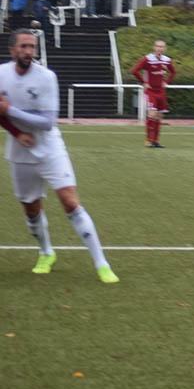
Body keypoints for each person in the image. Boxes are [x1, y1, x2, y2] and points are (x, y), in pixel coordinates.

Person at [0, 29, 119, 284]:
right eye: (24, 46)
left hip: (50, 148)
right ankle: (46, 252)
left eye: (33, 46)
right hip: (20, 151)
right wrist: (15, 132)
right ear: (13, 50)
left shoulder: (46, 77)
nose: (29, 51)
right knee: (31, 209)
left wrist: (12, 111)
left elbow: (47, 122)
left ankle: (102, 263)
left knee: (70, 202)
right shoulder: (1, 75)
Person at [131, 40, 177, 148]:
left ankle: (155, 141)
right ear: (154, 47)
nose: (160, 48)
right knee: (152, 114)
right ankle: (148, 140)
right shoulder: (148, 59)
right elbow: (135, 71)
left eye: (162, 47)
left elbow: (173, 72)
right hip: (151, 91)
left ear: (165, 48)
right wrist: (144, 82)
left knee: (159, 116)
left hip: (161, 91)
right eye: (158, 46)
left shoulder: (166, 60)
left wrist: (167, 82)